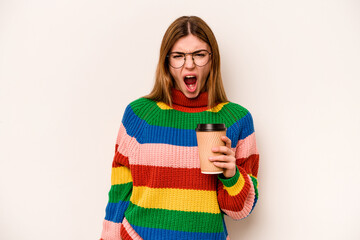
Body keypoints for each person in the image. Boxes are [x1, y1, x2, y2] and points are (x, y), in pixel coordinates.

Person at [100, 16, 260, 240]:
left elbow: (240, 211)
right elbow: (119, 193)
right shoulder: (139, 115)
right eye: (178, 56)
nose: (189, 64)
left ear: (212, 60)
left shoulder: (237, 120)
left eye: (199, 55)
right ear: (167, 62)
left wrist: (231, 175)